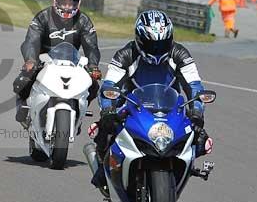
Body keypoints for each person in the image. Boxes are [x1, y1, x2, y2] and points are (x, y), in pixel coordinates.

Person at [88, 10, 212, 191]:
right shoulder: (125, 54)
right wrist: (108, 110)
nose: (157, 49)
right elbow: (109, 85)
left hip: (170, 107)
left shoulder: (180, 54)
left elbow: (195, 86)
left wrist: (197, 112)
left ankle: (183, 170)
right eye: (151, 44)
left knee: (201, 139)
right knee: (105, 131)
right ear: (139, 39)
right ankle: (104, 172)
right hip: (131, 107)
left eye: (162, 44)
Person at [13, 0, 101, 127]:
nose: (67, 7)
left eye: (71, 3)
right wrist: (31, 60)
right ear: (55, 1)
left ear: (78, 4)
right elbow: (31, 40)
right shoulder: (43, 17)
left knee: (93, 86)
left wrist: (93, 66)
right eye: (63, 3)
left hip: (72, 62)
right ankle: (23, 107)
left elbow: (91, 46)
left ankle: (79, 111)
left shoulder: (84, 21)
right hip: (43, 59)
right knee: (22, 80)